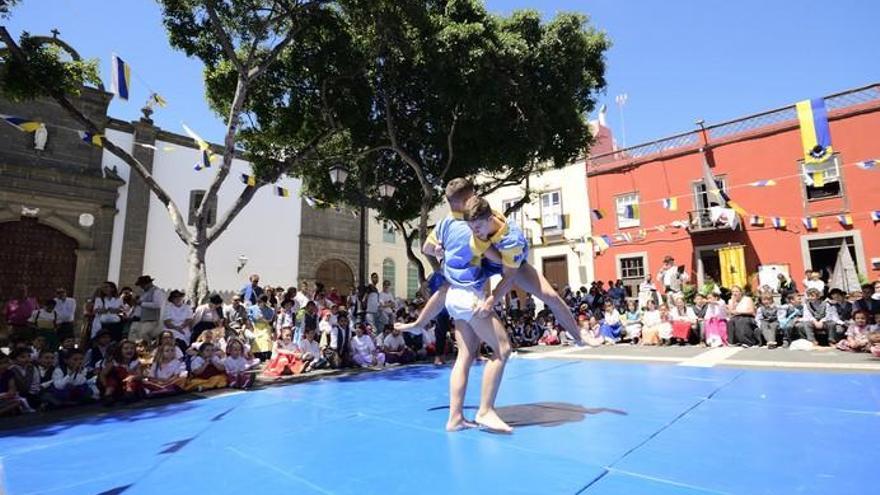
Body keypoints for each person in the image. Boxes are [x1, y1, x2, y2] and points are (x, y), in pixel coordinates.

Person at [414, 178, 514, 432]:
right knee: (502, 349)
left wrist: (438, 250)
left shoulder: (445, 223)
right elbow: (499, 260)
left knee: (465, 356)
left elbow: (425, 246)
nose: (476, 199)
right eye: (473, 196)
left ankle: (455, 417)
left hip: (453, 298)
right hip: (470, 296)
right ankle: (485, 411)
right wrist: (509, 255)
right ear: (465, 200)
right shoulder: (471, 228)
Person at [98, 340, 144, 406]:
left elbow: (140, 376)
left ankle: (129, 394)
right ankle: (108, 396)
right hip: (116, 386)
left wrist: (132, 377)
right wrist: (105, 385)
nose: (129, 350)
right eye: (126, 348)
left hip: (129, 385)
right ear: (120, 350)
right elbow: (102, 374)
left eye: (132, 348)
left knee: (131, 378)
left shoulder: (135, 362)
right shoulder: (114, 362)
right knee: (113, 377)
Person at [129, 275, 165, 343]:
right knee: (133, 338)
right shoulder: (143, 292)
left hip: (150, 320)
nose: (141, 287)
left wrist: (141, 303)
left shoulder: (157, 291)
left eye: (143, 285)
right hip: (139, 319)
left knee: (143, 336)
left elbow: (157, 305)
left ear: (149, 283)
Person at [248, 295, 275, 361]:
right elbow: (249, 318)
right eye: (258, 301)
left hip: (265, 326)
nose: (259, 303)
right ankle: (256, 355)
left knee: (266, 338)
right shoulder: (252, 308)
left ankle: (266, 354)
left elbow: (270, 321)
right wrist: (252, 325)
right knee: (255, 338)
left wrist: (263, 319)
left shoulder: (270, 310)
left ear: (265, 302)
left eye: (261, 302)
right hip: (255, 326)